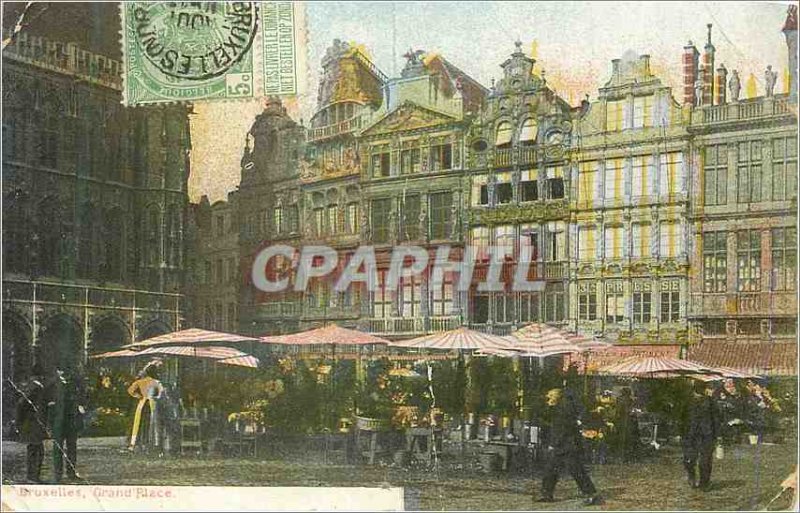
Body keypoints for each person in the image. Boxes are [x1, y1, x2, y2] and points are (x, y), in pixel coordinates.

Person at [538, 388, 603, 505]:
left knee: (576, 470)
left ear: (556, 397)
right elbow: (546, 417)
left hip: (567, 445)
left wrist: (553, 444)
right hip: (563, 444)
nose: (548, 399)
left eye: (550, 397)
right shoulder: (557, 408)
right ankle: (546, 493)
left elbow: (561, 430)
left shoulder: (563, 410)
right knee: (551, 469)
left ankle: (592, 495)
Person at [48, 367, 87, 482]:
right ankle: (57, 475)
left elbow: (82, 400)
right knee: (57, 450)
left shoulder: (74, 384)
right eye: (60, 370)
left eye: (65, 371)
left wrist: (81, 407)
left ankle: (71, 473)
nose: (63, 373)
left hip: (71, 422)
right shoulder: (52, 385)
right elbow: (49, 407)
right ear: (57, 371)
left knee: (72, 449)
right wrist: (49, 425)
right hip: (58, 423)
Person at [682, 381, 719, 491]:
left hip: (698, 434)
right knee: (698, 459)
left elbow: (715, 418)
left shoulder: (708, 401)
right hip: (699, 433)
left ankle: (699, 480)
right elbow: (716, 419)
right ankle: (698, 480)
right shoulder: (689, 401)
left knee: (700, 459)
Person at [15, 364, 48, 483]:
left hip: (31, 422)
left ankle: (33, 476)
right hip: (33, 422)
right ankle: (33, 477)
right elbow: (23, 404)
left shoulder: (30, 385)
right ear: (40, 376)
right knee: (36, 449)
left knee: (35, 449)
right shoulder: (37, 387)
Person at [127, 360, 165, 452]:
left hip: (142, 404)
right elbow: (162, 393)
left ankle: (137, 443)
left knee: (139, 423)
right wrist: (157, 398)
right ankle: (152, 443)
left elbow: (130, 390)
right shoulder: (157, 382)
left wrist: (139, 396)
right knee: (152, 424)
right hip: (153, 404)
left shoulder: (140, 382)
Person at [611, 387, 640, 462]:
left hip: (622, 420)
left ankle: (621, 456)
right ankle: (627, 456)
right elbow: (630, 410)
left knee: (621, 438)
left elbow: (618, 411)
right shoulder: (630, 400)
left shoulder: (620, 400)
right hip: (628, 421)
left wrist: (614, 419)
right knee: (628, 439)